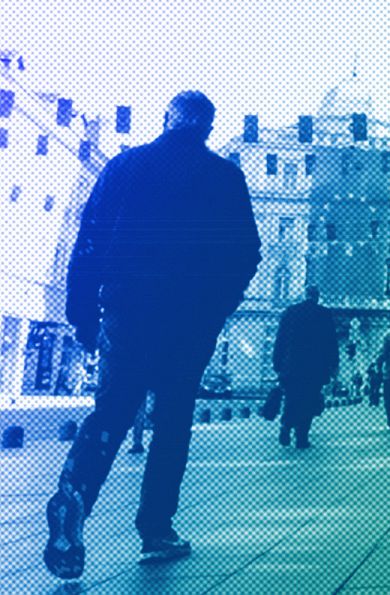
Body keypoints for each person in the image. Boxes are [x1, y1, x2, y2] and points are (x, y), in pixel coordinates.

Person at [45, 91, 261, 579]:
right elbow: (248, 252)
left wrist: (81, 314)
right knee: (172, 422)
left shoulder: (125, 167)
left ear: (167, 120)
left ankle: (77, 491)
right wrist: (216, 309)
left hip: (127, 310)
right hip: (189, 320)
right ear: (207, 128)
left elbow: (89, 241)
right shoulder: (225, 177)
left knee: (112, 411)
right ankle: (156, 529)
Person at [272, 287, 339, 449]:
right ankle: (302, 437)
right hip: (314, 367)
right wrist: (333, 365)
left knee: (291, 398)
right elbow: (331, 342)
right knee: (309, 400)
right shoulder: (324, 314)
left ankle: (286, 426)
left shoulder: (290, 312)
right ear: (317, 297)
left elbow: (280, 339)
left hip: (292, 366)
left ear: (305, 295)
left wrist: (277, 363)